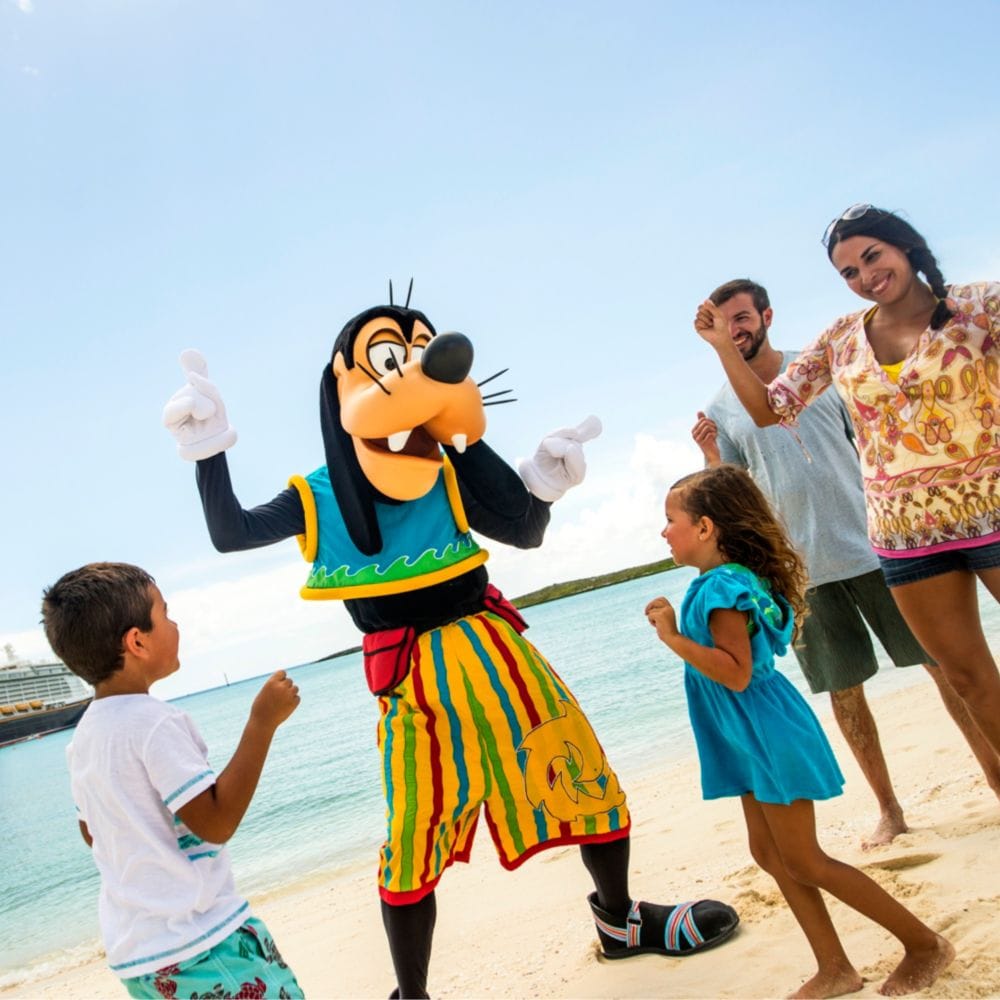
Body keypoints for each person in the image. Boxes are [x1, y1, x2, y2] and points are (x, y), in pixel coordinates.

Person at [162, 300, 739, 999]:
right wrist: (209, 449)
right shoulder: (320, 497)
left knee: (581, 773)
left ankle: (619, 924)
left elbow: (523, 531)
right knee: (411, 833)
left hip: (500, 654)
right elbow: (232, 532)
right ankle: (413, 993)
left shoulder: (448, 468)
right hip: (413, 682)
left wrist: (545, 487)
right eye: (386, 356)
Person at [691, 278, 1000, 847]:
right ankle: (890, 810)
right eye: (724, 321)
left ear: (766, 316)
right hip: (802, 574)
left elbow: (876, 445)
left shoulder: (822, 373)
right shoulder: (720, 408)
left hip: (881, 548)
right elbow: (734, 497)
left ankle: (994, 775)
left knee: (946, 669)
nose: (736, 329)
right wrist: (711, 458)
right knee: (845, 694)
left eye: (743, 317)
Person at [644, 465, 955, 998]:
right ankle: (835, 967)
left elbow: (736, 673)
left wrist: (672, 636)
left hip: (765, 730)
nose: (662, 531)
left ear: (704, 528)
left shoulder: (722, 588)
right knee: (770, 854)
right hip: (744, 735)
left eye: (669, 520)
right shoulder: (717, 582)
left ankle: (925, 943)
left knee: (805, 857)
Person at [41, 562, 303, 999]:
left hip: (140, 957)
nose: (175, 624)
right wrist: (262, 723)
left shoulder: (85, 737)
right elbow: (216, 823)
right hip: (200, 941)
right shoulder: (155, 723)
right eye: (166, 613)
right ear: (137, 641)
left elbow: (91, 832)